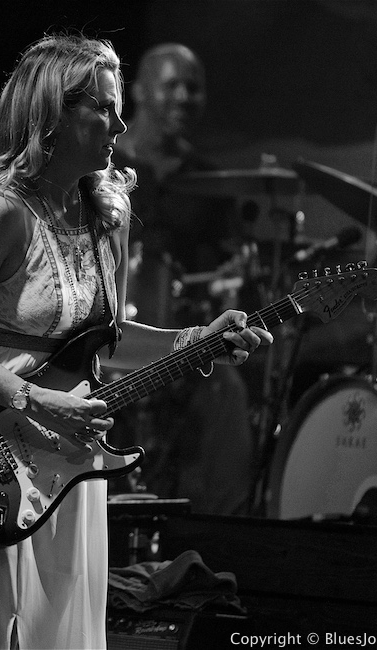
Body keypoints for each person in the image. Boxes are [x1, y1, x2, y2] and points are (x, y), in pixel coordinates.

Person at [0, 34, 272, 650]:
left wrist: (193, 339)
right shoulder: (0, 210)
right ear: (53, 112)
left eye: (116, 106)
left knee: (69, 637)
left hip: (69, 455)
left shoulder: (109, 214)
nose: (120, 122)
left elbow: (105, 341)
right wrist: (32, 399)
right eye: (102, 108)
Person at [111, 43, 264, 516]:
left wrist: (231, 278)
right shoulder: (101, 162)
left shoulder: (209, 180)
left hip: (175, 324)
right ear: (137, 90)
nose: (183, 96)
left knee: (229, 391)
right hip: (99, 323)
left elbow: (227, 266)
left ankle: (215, 525)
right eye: (171, 84)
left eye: (193, 88)